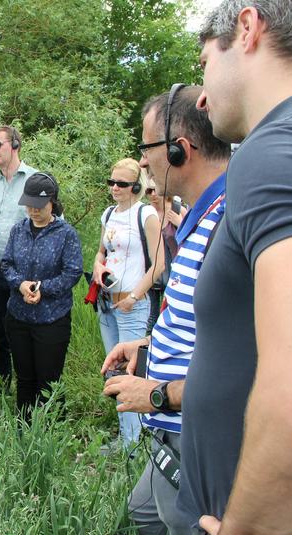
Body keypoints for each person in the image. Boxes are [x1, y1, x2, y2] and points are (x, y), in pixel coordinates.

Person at [177, 3, 292, 533]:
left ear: (246, 29)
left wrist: (245, 524)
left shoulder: (269, 153)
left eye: (204, 63)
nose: (202, 96)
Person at [101, 84, 230, 535]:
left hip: (198, 434)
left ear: (180, 150)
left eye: (146, 148)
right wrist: (149, 342)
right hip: (171, 432)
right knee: (143, 513)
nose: (141, 163)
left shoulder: (230, 224)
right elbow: (208, 322)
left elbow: (249, 370)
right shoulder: (201, 217)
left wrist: (155, 393)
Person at [91, 157, 164, 450]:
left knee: (130, 371)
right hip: (107, 301)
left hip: (131, 305)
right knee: (114, 370)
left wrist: (135, 296)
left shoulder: (145, 214)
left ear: (135, 186)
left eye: (122, 184)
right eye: (112, 182)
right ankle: (126, 435)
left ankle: (134, 442)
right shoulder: (109, 214)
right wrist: (98, 268)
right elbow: (100, 251)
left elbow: (158, 264)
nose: (115, 188)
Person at [1, 173, 82, 421]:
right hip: (19, 316)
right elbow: (6, 264)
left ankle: (52, 433)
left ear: (53, 203)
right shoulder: (18, 230)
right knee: (24, 377)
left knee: (49, 380)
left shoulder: (65, 234)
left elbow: (73, 272)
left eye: (39, 206)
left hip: (51, 319)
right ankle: (24, 428)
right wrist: (21, 284)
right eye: (29, 206)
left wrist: (41, 287)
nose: (33, 211)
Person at [0, 126, 38, 396]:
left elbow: (53, 224)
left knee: (26, 336)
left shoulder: (36, 180)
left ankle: (31, 396)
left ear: (15, 145)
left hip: (27, 271)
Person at [144, 178, 184, 332]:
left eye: (155, 190)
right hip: (152, 270)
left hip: (174, 271)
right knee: (151, 317)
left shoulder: (176, 208)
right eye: (149, 191)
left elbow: (193, 236)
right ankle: (147, 350)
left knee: (171, 312)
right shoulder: (146, 212)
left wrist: (179, 222)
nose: (153, 194)